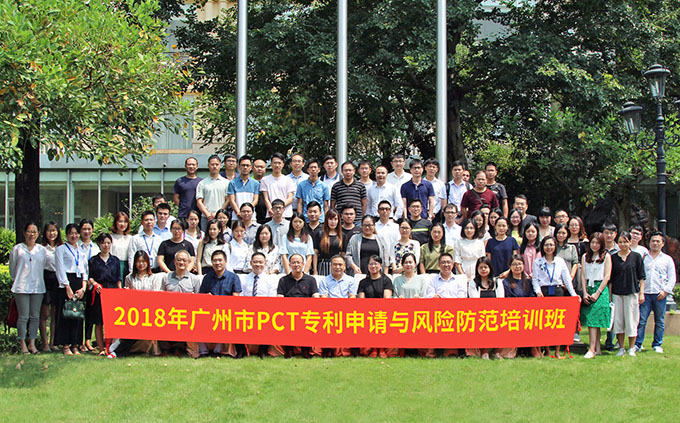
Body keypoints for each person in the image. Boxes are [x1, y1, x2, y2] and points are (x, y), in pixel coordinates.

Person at [532, 235, 579, 358]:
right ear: (543, 247)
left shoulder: (560, 261)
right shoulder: (538, 262)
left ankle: (557, 351)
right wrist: (538, 292)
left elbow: (567, 279)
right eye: (546, 245)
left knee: (558, 322)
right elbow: (535, 279)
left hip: (558, 291)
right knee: (545, 323)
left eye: (551, 245)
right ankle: (547, 350)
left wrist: (573, 294)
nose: (549, 247)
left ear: (555, 246)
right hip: (544, 292)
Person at [635, 231, 676, 354]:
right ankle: (638, 344)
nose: (655, 243)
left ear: (662, 244)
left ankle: (657, 344)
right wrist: (640, 292)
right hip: (645, 293)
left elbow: (672, 277)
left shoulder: (667, 259)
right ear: (649, 243)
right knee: (641, 320)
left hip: (660, 294)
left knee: (659, 321)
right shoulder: (643, 257)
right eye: (653, 241)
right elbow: (638, 275)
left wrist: (666, 291)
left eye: (658, 241)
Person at [10, 223, 46, 354]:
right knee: (23, 317)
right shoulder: (17, 249)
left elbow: (44, 266)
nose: (32, 234)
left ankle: (32, 343)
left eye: (34, 232)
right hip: (21, 287)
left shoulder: (41, 250)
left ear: (38, 234)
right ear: (24, 233)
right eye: (29, 231)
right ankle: (22, 344)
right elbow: (13, 269)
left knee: (35, 316)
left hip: (37, 287)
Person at [160, 249, 203, 358]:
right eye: (179, 260)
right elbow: (161, 295)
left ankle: (181, 349)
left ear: (188, 262)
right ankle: (166, 349)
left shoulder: (194, 279)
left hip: (187, 314)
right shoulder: (166, 277)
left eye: (184, 260)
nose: (182, 262)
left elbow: (199, 299)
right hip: (169, 312)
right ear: (174, 261)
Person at [610, 231, 645, 357]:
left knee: (631, 321)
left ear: (630, 242)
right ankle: (621, 347)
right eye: (620, 242)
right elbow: (611, 279)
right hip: (617, 293)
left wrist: (641, 293)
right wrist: (610, 295)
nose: (623, 244)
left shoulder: (636, 257)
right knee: (618, 322)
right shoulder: (613, 258)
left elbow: (641, 276)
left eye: (625, 241)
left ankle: (631, 348)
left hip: (632, 292)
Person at [54, 223, 88, 355]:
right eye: (71, 233)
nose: (74, 236)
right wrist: (67, 286)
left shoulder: (81, 250)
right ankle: (65, 345)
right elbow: (60, 268)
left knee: (77, 315)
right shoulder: (61, 249)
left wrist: (83, 288)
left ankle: (75, 344)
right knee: (66, 315)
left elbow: (85, 270)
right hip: (66, 283)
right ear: (67, 234)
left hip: (79, 283)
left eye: (76, 233)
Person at [277, 253, 319, 358]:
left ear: (303, 264)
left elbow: (315, 297)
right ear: (289, 265)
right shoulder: (283, 280)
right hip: (288, 311)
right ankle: (289, 350)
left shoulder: (311, 280)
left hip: (306, 311)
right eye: (294, 262)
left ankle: (305, 350)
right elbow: (279, 298)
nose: (296, 265)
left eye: (298, 262)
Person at [87, 233, 122, 355]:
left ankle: (111, 347)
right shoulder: (93, 260)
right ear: (99, 244)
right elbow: (90, 277)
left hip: (112, 291)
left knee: (112, 321)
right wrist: (95, 283)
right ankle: (101, 349)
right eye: (103, 243)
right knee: (99, 321)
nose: (106, 245)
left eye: (108, 243)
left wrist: (120, 292)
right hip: (99, 291)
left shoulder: (115, 260)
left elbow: (118, 278)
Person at [580, 232, 613, 359]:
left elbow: (607, 276)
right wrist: (585, 292)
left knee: (595, 319)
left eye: (597, 243)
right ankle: (597, 348)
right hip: (589, 287)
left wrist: (597, 292)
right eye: (592, 242)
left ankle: (592, 348)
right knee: (591, 320)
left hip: (600, 289)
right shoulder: (585, 257)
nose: (594, 245)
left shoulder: (606, 256)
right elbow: (583, 275)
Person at [467, 257, 506, 359]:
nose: (483, 270)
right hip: (479, 313)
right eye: (481, 268)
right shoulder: (473, 283)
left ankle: (496, 351)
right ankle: (485, 351)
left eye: (485, 267)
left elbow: (501, 299)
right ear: (477, 269)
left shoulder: (497, 282)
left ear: (490, 268)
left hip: (496, 312)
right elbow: (474, 300)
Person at [40, 221, 62, 352]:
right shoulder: (41, 248)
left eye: (54, 230)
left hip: (57, 280)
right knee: (45, 314)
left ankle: (53, 342)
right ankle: (44, 343)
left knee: (55, 313)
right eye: (49, 230)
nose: (51, 233)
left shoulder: (61, 247)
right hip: (45, 279)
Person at [196, 154, 230, 232]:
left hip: (221, 218)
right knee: (205, 237)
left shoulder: (226, 182)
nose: (214, 166)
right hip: (206, 217)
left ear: (220, 165)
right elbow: (199, 202)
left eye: (216, 164)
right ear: (208, 165)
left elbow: (228, 200)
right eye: (212, 164)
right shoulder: (202, 183)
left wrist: (219, 213)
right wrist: (207, 214)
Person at [261, 152, 297, 219]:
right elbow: (266, 198)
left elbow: (290, 198)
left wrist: (279, 208)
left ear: (283, 164)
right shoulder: (264, 180)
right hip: (271, 214)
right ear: (271, 164)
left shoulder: (288, 180)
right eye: (275, 163)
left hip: (286, 214)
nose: (277, 165)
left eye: (279, 163)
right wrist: (271, 209)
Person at [227, 154, 260, 222]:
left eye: (247, 165)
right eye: (243, 165)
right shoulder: (232, 183)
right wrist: (239, 212)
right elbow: (232, 200)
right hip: (236, 217)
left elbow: (255, 200)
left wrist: (248, 212)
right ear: (239, 167)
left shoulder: (256, 183)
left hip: (251, 218)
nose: (245, 167)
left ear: (251, 167)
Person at [296, 158, 330, 223]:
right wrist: (299, 219)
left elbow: (326, 205)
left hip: (320, 220)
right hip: (306, 219)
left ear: (319, 169)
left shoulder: (324, 186)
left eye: (315, 167)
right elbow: (300, 204)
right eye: (311, 167)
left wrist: (326, 220)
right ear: (307, 170)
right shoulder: (301, 185)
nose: (313, 169)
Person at [315, 209, 343, 276]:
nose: (333, 222)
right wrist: (315, 270)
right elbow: (315, 253)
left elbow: (343, 254)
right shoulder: (320, 234)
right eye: (330, 219)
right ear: (326, 220)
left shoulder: (342, 235)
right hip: (323, 265)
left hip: (337, 266)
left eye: (335, 219)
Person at [110, 211, 132, 279]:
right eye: (120, 221)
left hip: (127, 266)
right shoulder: (111, 237)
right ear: (115, 223)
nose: (123, 224)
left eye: (125, 222)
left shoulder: (130, 238)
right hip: (114, 266)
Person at [252, 158, 269, 224]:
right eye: (257, 167)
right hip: (252, 216)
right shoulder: (249, 182)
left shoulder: (269, 182)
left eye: (262, 167)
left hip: (267, 215)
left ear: (265, 169)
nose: (259, 169)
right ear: (252, 168)